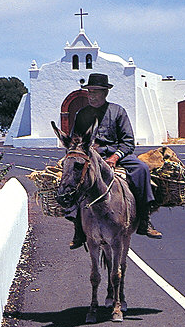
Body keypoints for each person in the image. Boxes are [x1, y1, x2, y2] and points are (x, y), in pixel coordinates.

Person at [66, 73, 162, 249]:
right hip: (92, 158)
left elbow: (128, 142)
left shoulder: (118, 111)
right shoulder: (82, 114)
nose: (92, 96)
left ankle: (144, 220)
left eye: (96, 92)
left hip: (116, 157)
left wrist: (116, 156)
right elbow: (75, 141)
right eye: (90, 92)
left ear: (105, 93)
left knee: (141, 169)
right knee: (72, 177)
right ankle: (79, 228)